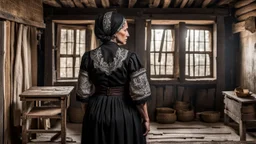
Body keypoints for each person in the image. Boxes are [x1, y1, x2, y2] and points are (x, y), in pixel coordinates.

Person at [76, 11, 151, 144]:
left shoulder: (87, 57)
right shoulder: (131, 58)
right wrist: (146, 119)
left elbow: (83, 93)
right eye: (125, 30)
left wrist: (91, 115)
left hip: (96, 112)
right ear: (115, 32)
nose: (127, 34)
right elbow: (140, 96)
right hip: (125, 113)